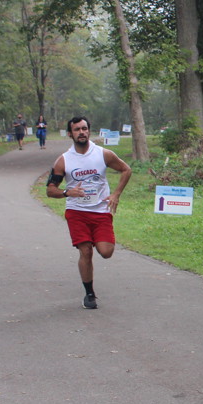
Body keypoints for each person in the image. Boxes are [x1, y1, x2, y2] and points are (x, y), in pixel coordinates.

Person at [46, 116, 132, 309]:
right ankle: (90, 294)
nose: (82, 132)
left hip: (101, 211)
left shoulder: (103, 154)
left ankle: (96, 240)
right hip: (77, 212)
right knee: (85, 251)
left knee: (106, 252)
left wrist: (116, 194)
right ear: (70, 134)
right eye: (77, 129)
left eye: (84, 128)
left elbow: (126, 170)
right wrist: (67, 192)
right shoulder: (63, 160)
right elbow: (50, 190)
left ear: (89, 131)